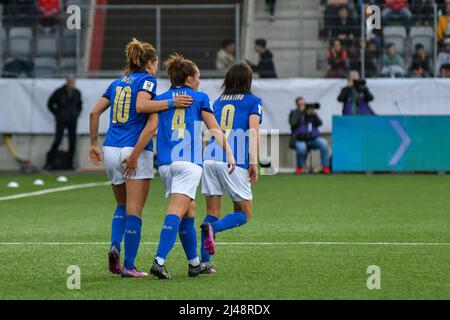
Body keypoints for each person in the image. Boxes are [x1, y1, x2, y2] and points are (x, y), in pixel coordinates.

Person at [88, 38, 193, 278]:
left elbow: (94, 112)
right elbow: (141, 107)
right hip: (133, 149)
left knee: (121, 206)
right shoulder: (147, 80)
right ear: (149, 64)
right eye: (155, 63)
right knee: (135, 210)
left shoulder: (116, 83)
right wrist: (171, 102)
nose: (156, 68)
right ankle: (129, 266)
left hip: (111, 149)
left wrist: (93, 143)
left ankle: (115, 245)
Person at [149, 54, 236, 280]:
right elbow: (214, 128)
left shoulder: (163, 99)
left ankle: (194, 263)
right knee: (176, 211)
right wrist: (229, 151)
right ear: (188, 78)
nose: (199, 80)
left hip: (167, 164)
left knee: (190, 210)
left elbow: (152, 127)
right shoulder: (199, 97)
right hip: (189, 163)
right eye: (197, 76)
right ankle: (159, 261)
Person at [200, 62, 262, 273]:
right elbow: (253, 131)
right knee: (244, 213)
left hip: (209, 157)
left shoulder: (217, 101)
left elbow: (210, 130)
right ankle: (213, 229)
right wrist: (254, 162)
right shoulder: (253, 102)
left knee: (212, 211)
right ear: (248, 80)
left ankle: (205, 263)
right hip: (234, 160)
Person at [46, 75, 82, 170]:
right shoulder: (59, 92)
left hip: (72, 120)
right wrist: (58, 114)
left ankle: (70, 165)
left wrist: (76, 114)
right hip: (61, 120)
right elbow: (50, 103)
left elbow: (79, 105)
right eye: (71, 82)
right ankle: (50, 162)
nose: (72, 84)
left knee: (72, 141)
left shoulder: (77, 92)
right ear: (67, 82)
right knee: (58, 139)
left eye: (73, 82)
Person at [289, 97, 330, 175]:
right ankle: (300, 168)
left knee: (323, 143)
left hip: (313, 138)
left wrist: (314, 115)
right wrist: (300, 113)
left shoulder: (311, 113)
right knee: (301, 148)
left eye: (304, 103)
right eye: (300, 104)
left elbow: (320, 123)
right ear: (297, 105)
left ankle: (326, 167)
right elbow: (292, 124)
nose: (303, 105)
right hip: (300, 139)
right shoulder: (294, 113)